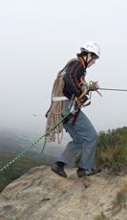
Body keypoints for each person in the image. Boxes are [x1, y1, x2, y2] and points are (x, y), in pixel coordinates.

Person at [50, 42, 102, 178]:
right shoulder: (78, 65)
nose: (94, 62)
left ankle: (59, 165)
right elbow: (70, 78)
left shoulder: (73, 66)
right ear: (88, 55)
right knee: (91, 136)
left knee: (79, 139)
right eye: (94, 58)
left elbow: (71, 81)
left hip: (62, 108)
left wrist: (89, 87)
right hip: (68, 107)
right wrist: (82, 96)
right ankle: (85, 169)